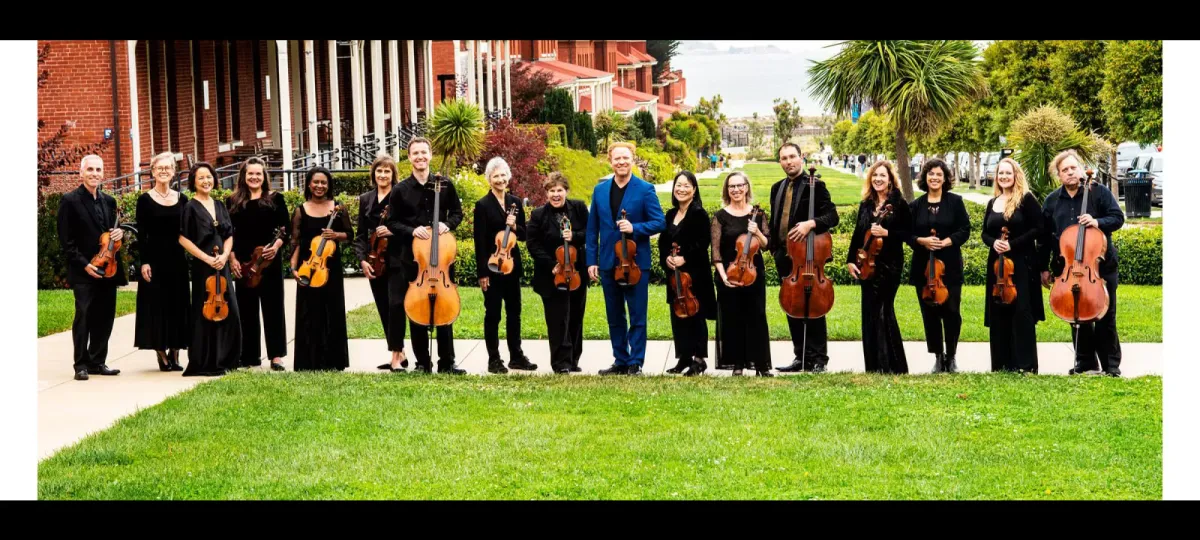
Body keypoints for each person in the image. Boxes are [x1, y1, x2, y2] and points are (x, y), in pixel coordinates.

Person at [1039, 150, 1125, 377]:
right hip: (1068, 267)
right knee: (1076, 314)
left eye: (1073, 167)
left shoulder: (1099, 193)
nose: (1070, 172)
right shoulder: (1052, 201)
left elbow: (1118, 218)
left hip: (1100, 268)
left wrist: (1097, 221)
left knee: (1105, 316)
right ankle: (1085, 362)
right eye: (1064, 170)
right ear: (1058, 175)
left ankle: (1111, 365)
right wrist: (1043, 268)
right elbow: (1045, 238)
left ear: (1080, 169)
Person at [386, 137, 466, 374]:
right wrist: (412, 230)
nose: (420, 157)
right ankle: (422, 362)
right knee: (417, 307)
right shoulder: (400, 190)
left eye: (424, 152)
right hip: (414, 259)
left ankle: (447, 362)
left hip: (441, 257)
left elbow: (458, 213)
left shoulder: (445, 184)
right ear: (409, 157)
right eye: (415, 153)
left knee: (445, 305)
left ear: (430, 155)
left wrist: (447, 225)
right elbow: (392, 222)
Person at [586, 142, 666, 376]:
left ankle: (635, 361)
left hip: (635, 262)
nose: (621, 162)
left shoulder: (645, 189)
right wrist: (591, 260)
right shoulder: (600, 190)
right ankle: (620, 359)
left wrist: (635, 228)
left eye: (625, 158)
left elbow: (659, 222)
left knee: (637, 314)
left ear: (633, 160)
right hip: (608, 261)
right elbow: (592, 229)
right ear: (610, 161)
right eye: (617, 158)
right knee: (614, 315)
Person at [769, 144, 839, 373]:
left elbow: (832, 216)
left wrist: (811, 223)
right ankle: (801, 357)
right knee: (792, 306)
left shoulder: (815, 185)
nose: (788, 161)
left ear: (801, 158)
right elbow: (775, 220)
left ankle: (819, 359)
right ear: (780, 161)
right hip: (785, 256)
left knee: (813, 306)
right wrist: (773, 249)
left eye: (792, 157)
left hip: (807, 256)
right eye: (784, 158)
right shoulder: (777, 187)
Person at [57, 154, 127, 380]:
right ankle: (81, 364)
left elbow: (112, 236)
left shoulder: (109, 201)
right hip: (84, 270)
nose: (94, 174)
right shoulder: (70, 201)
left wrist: (119, 234)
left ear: (103, 173)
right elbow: (66, 242)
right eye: (90, 170)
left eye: (98, 170)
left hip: (108, 268)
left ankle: (98, 361)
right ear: (81, 173)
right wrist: (85, 265)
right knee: (84, 316)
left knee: (105, 317)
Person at [846, 160, 911, 374]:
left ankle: (893, 366)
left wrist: (887, 233)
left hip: (890, 265)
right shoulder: (866, 204)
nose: (878, 179)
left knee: (884, 310)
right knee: (869, 312)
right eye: (874, 175)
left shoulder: (899, 204)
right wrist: (850, 260)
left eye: (882, 175)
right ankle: (873, 366)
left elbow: (909, 234)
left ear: (890, 179)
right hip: (867, 264)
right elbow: (858, 234)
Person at [906, 158, 971, 373]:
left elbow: (965, 229)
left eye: (939, 174)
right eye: (931, 174)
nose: (934, 178)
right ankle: (937, 356)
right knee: (930, 313)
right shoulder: (916, 205)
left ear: (945, 179)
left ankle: (951, 356)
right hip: (923, 268)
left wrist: (947, 241)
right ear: (925, 177)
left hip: (949, 266)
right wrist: (922, 241)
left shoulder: (955, 202)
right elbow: (906, 234)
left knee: (952, 311)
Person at [473, 156, 536, 373]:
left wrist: (515, 226)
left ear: (508, 177)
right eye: (495, 176)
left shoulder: (515, 202)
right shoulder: (482, 205)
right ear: (489, 179)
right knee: (493, 314)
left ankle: (516, 356)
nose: (500, 179)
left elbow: (525, 235)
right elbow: (479, 242)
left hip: (511, 266)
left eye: (503, 175)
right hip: (492, 268)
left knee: (514, 313)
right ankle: (494, 359)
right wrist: (482, 273)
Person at [178, 162, 241, 376]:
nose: (206, 181)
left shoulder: (220, 205)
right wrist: (207, 259)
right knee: (205, 313)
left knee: (230, 310)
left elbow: (229, 235)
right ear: (193, 182)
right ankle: (205, 361)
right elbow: (183, 238)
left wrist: (224, 256)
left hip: (222, 265)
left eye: (209, 177)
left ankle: (227, 359)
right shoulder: (190, 207)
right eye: (201, 178)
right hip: (203, 267)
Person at [289, 167, 354, 371]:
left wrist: (335, 235)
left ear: (329, 185)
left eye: (323, 182)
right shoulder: (300, 210)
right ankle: (308, 362)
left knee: (332, 311)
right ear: (309, 184)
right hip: (308, 268)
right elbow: (295, 241)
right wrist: (293, 267)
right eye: (315, 182)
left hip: (330, 267)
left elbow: (350, 235)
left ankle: (334, 361)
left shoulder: (338, 207)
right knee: (309, 312)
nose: (319, 186)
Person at [228, 156, 290, 371]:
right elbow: (228, 233)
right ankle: (248, 355)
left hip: (269, 261)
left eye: (258, 174)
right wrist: (232, 259)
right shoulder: (233, 201)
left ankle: (276, 355)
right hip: (243, 262)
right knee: (246, 308)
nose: (254, 177)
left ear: (264, 176)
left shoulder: (276, 198)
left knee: (273, 307)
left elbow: (286, 229)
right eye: (250, 174)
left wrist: (277, 245)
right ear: (243, 176)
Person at [984, 158, 1044, 373]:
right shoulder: (993, 202)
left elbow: (1039, 228)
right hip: (997, 264)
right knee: (999, 310)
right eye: (1001, 173)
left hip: (1021, 262)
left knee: (1021, 311)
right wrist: (994, 242)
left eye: (1008, 173)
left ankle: (1025, 364)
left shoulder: (1026, 199)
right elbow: (984, 233)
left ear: (1016, 175)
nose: (1004, 177)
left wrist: (1012, 244)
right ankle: (1002, 363)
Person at [527, 172, 589, 374]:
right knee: (557, 319)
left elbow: (590, 232)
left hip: (576, 272)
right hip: (551, 275)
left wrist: (575, 236)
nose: (556, 194)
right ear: (546, 193)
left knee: (576, 316)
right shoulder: (538, 215)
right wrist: (552, 264)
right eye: (552, 190)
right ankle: (560, 363)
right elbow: (532, 244)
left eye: (559, 190)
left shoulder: (578, 208)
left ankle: (573, 359)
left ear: (566, 191)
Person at [712, 172, 772, 377]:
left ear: (746, 187)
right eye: (731, 186)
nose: (736, 190)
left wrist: (757, 232)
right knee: (733, 318)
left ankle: (761, 364)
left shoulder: (758, 215)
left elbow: (766, 245)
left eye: (739, 185)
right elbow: (716, 252)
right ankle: (737, 364)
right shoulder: (720, 217)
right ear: (727, 190)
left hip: (754, 274)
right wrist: (724, 277)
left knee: (757, 317)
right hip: (729, 273)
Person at [133, 152, 189, 372]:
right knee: (156, 307)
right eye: (160, 168)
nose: (164, 171)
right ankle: (161, 353)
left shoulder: (182, 199)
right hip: (154, 261)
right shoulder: (144, 200)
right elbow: (142, 234)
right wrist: (144, 262)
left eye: (168, 168)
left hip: (177, 260)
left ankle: (175, 351)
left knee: (177, 306)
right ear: (153, 172)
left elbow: (188, 231)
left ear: (174, 172)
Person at [658, 171, 717, 376]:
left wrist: (685, 258)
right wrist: (666, 258)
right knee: (678, 315)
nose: (681, 189)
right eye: (678, 185)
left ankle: (699, 360)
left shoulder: (698, 213)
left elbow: (703, 242)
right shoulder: (670, 214)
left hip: (695, 275)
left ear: (694, 190)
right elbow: (663, 242)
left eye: (686, 186)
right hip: (675, 275)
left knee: (696, 316)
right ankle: (683, 357)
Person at [356, 155, 408, 373]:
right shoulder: (366, 199)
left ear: (393, 175)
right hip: (374, 260)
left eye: (387, 171)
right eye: (379, 171)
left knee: (396, 305)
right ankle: (399, 352)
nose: (383, 175)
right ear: (373, 174)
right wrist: (362, 260)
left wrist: (392, 232)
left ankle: (396, 355)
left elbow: (409, 228)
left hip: (397, 259)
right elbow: (360, 234)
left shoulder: (400, 197)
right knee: (383, 307)